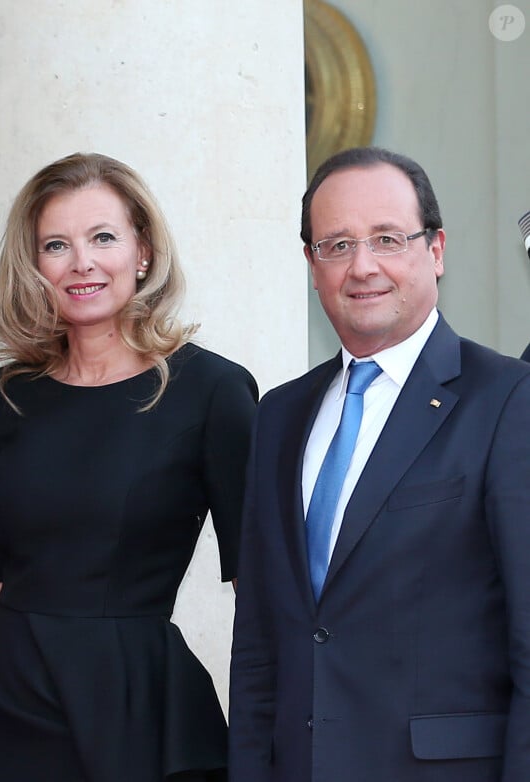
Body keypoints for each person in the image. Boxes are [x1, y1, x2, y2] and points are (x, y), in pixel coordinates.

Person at [0, 152, 258, 782]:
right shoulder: (4, 395)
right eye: (56, 244)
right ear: (34, 265)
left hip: (138, 709)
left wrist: (269, 726)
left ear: (142, 251)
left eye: (103, 238)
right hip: (4, 711)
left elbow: (257, 590)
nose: (81, 263)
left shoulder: (214, 390)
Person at [229, 146, 530, 782]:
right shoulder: (279, 416)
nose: (361, 266)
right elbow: (258, 644)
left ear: (437, 250)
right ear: (312, 264)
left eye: (387, 239)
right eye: (335, 245)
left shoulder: (508, 400)